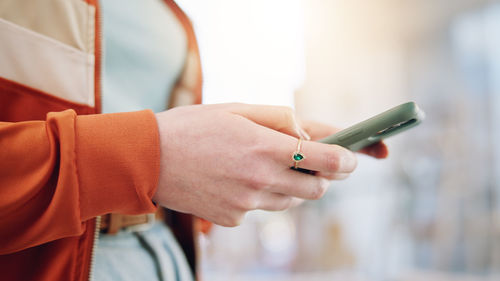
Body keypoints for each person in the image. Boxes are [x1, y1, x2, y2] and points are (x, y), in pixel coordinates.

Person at [0, 0, 388, 280]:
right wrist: (149, 158)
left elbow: (173, 184)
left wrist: (252, 156)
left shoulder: (172, 15)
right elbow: (152, 156)